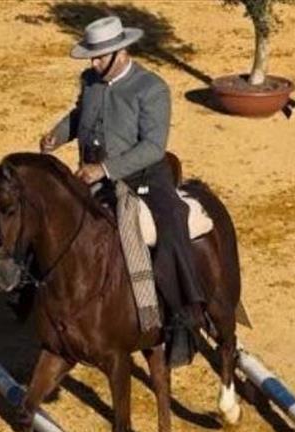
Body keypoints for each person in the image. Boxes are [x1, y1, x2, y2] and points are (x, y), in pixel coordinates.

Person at [40, 15, 205, 367]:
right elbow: (79, 115)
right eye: (92, 57)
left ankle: (182, 317)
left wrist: (105, 169)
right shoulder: (90, 81)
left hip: (144, 177)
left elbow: (153, 147)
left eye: (100, 57)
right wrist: (57, 134)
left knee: (170, 223)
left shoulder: (151, 89)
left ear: (122, 52)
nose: (93, 63)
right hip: (91, 176)